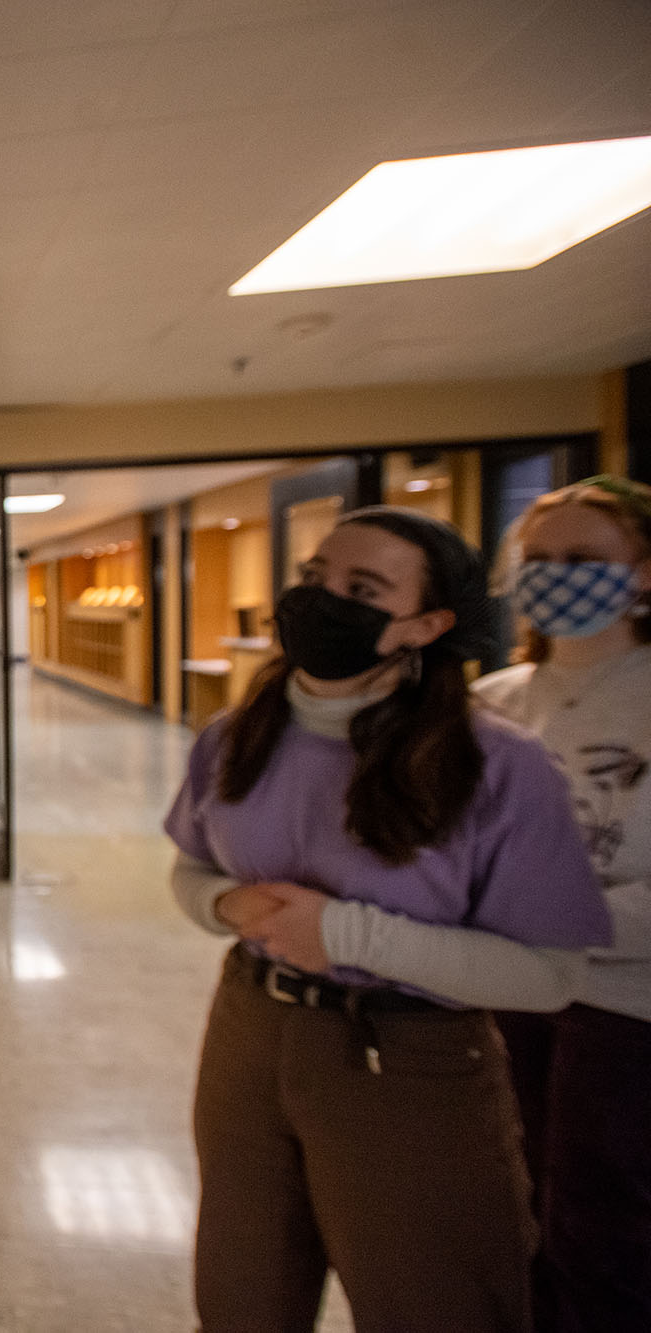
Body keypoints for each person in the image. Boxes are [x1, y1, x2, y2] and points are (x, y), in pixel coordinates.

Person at [164, 506, 611, 1332]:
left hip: (407, 1058)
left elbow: (551, 975)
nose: (323, 599)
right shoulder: (236, 736)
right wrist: (224, 905)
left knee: (432, 1299)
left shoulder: (498, 764)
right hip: (250, 1033)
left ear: (426, 624)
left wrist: (352, 936)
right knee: (241, 1292)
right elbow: (192, 866)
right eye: (314, 578)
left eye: (362, 588)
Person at [473, 475, 651, 1333]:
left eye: (585, 559)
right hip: (506, 997)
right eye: (539, 560)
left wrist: (531, 916)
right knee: (516, 1211)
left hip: (624, 1013)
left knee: (606, 1231)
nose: (558, 576)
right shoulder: (491, 703)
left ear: (643, 572)